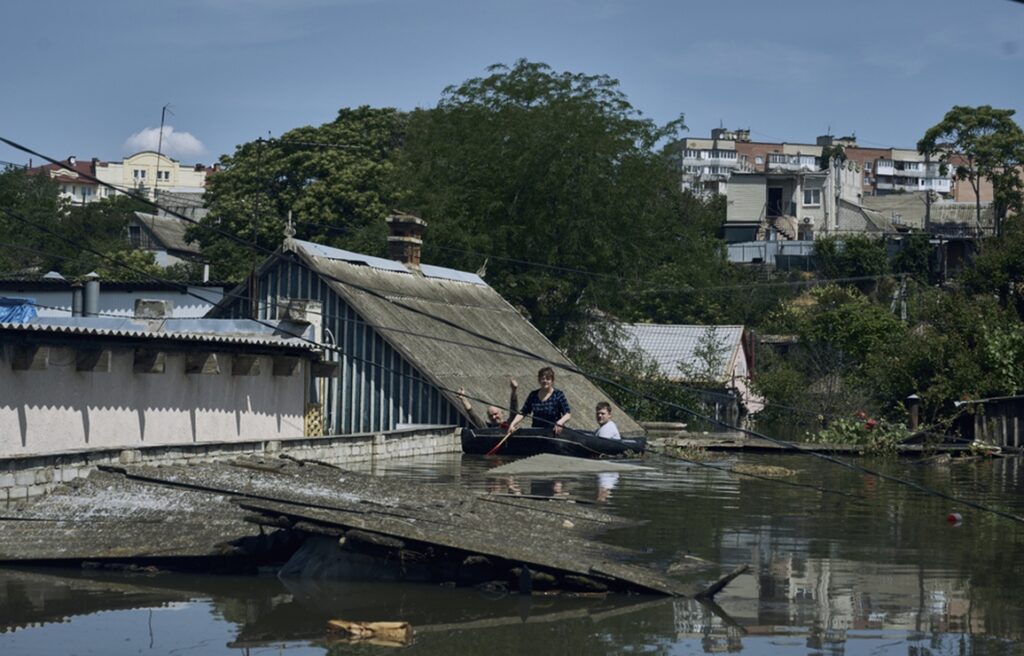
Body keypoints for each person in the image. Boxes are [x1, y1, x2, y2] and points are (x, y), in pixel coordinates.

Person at [506, 366, 571, 436]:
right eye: (543, 379)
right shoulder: (533, 395)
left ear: (552, 380)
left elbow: (567, 414)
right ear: (539, 380)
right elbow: (523, 412)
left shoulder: (558, 394)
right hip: (537, 433)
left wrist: (560, 422)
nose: (545, 381)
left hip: (553, 433)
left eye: (548, 379)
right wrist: (513, 424)